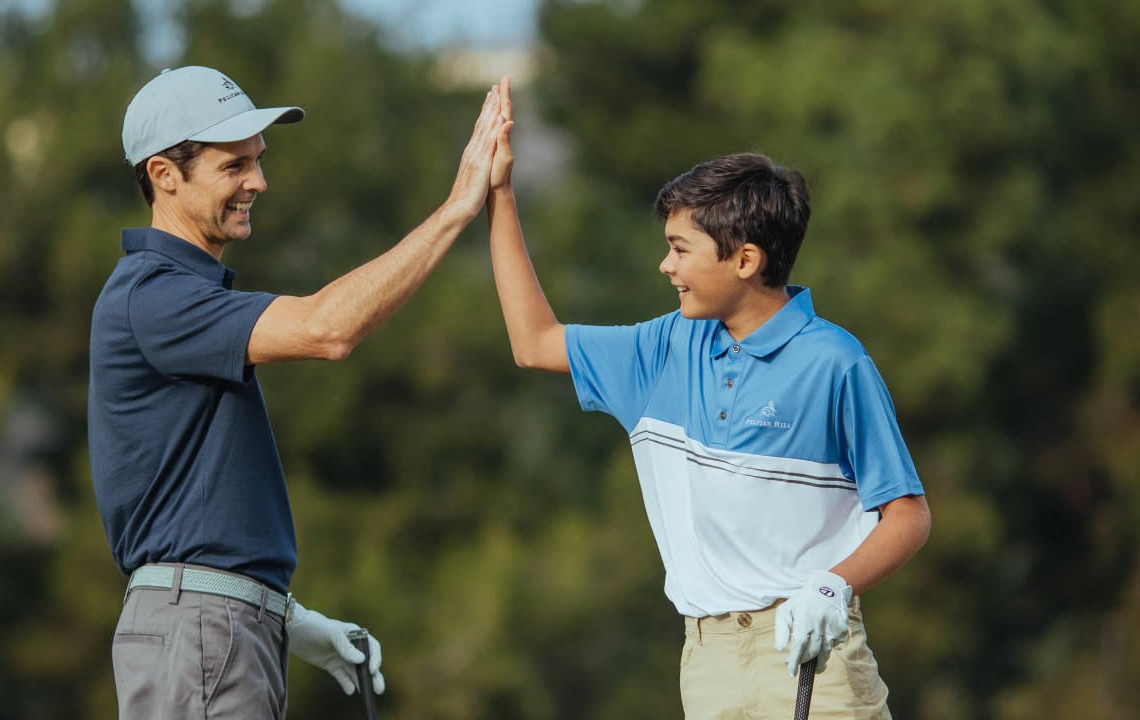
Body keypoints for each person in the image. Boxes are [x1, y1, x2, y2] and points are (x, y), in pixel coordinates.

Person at [485, 79, 930, 718]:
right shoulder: (665, 346)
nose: (666, 266)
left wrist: (834, 587)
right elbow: (533, 342)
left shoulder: (835, 362)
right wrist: (500, 194)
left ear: (745, 259)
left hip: (814, 657)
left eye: (679, 249)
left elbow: (909, 515)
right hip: (708, 662)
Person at [88, 66, 507, 719]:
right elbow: (328, 329)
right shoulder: (153, 294)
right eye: (234, 166)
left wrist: (288, 617)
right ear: (165, 176)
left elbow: (200, 506)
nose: (259, 181)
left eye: (258, 161)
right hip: (202, 630)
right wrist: (458, 205)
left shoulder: (177, 293)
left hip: (221, 627)